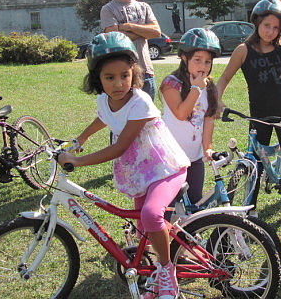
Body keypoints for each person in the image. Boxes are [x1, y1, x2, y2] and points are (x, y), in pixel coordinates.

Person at [57, 32, 190, 299]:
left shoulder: (140, 102)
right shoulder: (104, 99)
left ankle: (167, 272)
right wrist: (81, 139)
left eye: (125, 75)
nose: (118, 83)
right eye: (109, 77)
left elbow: (119, 147)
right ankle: (156, 269)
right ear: (98, 79)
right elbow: (103, 117)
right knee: (143, 227)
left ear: (134, 73)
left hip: (165, 166)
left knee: (151, 214)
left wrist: (78, 161)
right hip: (141, 169)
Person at [216, 0, 281, 221]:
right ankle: (251, 208)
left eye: (276, 27)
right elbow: (225, 77)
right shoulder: (243, 50)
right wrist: (218, 99)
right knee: (256, 162)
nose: (270, 31)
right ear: (257, 23)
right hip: (259, 115)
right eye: (266, 25)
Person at [160, 28, 220, 204]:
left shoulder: (208, 85)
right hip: (169, 159)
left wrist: (207, 148)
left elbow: (208, 118)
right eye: (197, 60)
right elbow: (181, 113)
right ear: (184, 58)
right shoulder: (171, 83)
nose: (203, 66)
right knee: (169, 206)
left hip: (194, 157)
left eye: (208, 62)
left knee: (195, 203)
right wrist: (196, 89)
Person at [101, 0, 162, 101]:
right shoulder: (108, 9)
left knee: (148, 114)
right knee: (125, 113)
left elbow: (156, 32)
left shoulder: (144, 7)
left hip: (146, 73)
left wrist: (128, 26)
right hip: (123, 75)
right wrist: (144, 31)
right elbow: (115, 40)